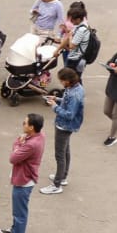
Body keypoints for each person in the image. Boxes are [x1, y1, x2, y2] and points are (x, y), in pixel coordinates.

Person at [1, 115, 44, 233]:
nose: (23, 124)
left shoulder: (31, 144)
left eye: (25, 123)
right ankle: (14, 230)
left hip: (24, 180)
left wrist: (18, 143)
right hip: (24, 177)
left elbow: (13, 158)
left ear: (31, 127)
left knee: (20, 213)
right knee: (18, 209)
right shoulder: (39, 136)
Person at [40, 67, 82, 195]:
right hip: (67, 126)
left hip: (64, 126)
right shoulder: (75, 88)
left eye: (62, 81)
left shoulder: (74, 94)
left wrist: (54, 106)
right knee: (65, 151)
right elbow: (67, 102)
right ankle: (62, 176)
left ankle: (56, 185)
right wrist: (57, 99)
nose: (61, 83)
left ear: (68, 81)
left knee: (60, 155)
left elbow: (69, 114)